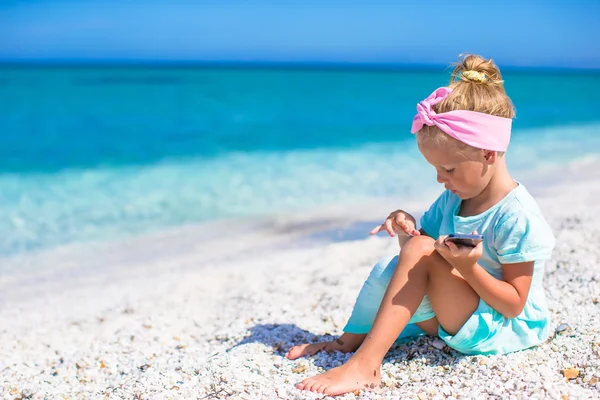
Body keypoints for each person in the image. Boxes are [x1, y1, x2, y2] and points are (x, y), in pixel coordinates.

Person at [285, 54, 556, 396]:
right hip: (460, 312)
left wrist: (469, 269)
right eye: (436, 170)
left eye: (449, 170)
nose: (441, 180)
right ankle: (347, 343)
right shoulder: (452, 200)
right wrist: (406, 232)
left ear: (489, 153)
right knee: (389, 266)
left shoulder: (517, 216)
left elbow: (515, 305)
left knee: (418, 253)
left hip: (501, 326)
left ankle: (366, 366)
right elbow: (415, 260)